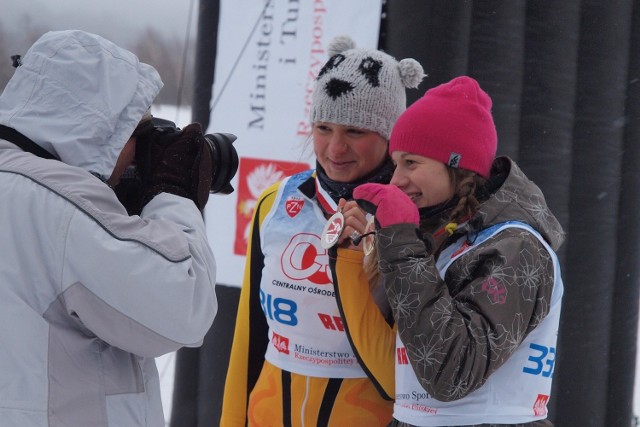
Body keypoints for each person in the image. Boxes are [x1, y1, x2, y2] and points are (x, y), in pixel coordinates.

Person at [0, 30, 218, 426]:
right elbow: (184, 306)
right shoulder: (60, 209)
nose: (137, 152)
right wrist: (172, 194)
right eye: (137, 134)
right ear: (103, 130)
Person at [220, 35, 424, 426]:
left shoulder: (409, 218)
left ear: (389, 136)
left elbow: (403, 377)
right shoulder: (275, 204)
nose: (335, 148)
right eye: (324, 127)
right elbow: (249, 332)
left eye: (355, 131)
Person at [353, 76, 564, 426]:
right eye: (396, 163)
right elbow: (388, 343)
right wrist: (357, 250)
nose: (396, 180)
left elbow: (450, 373)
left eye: (412, 163)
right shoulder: (442, 235)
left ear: (456, 165)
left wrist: (403, 244)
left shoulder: (516, 246)